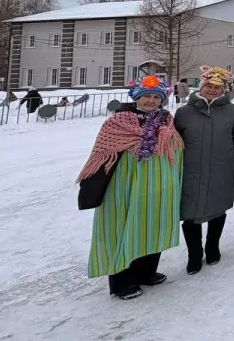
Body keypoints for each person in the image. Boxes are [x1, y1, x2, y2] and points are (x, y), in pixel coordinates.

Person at [76, 75, 183, 300]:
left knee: (152, 225)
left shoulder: (166, 120)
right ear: (136, 97)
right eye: (146, 96)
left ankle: (146, 272)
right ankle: (122, 281)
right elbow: (102, 156)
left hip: (158, 185)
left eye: (156, 97)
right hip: (125, 186)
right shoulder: (118, 122)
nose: (151, 101)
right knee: (123, 227)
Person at [173, 66, 234, 274]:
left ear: (223, 90)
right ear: (201, 87)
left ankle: (212, 246)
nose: (212, 90)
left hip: (221, 169)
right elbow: (172, 142)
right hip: (190, 170)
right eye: (209, 86)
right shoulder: (184, 112)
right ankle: (194, 254)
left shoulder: (233, 112)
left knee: (217, 208)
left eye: (217, 87)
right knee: (190, 213)